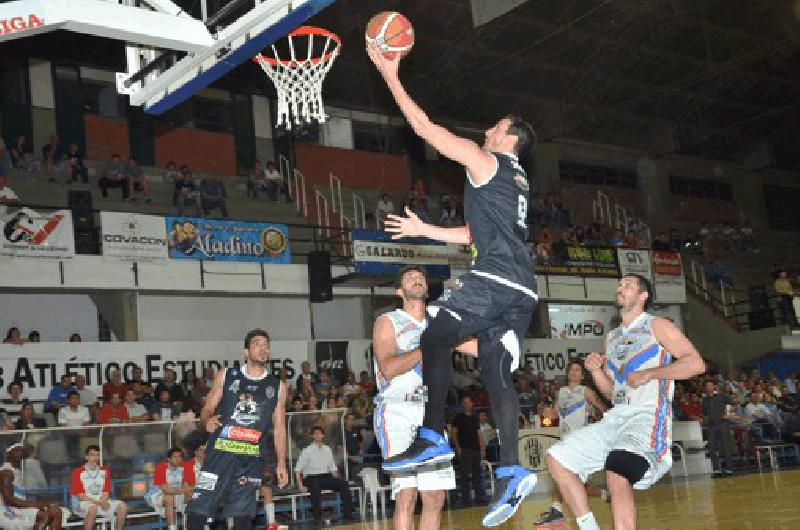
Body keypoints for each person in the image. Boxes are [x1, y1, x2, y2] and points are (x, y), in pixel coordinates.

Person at [368, 43, 539, 527]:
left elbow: (426, 129)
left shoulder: (490, 164)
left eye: (495, 128)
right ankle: (510, 468)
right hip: (522, 291)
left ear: (509, 139)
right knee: (497, 372)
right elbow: (472, 233)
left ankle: (430, 434)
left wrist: (391, 75)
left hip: (495, 279)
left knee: (434, 334)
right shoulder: (518, 181)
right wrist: (426, 231)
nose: (487, 131)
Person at [546, 274, 706, 530]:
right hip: (616, 417)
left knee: (617, 470)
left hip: (647, 416)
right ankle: (588, 526)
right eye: (619, 284)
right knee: (556, 459)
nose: (620, 287)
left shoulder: (658, 326)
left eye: (628, 285)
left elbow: (695, 364)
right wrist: (597, 371)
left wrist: (651, 373)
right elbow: (612, 394)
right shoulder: (612, 338)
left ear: (643, 296)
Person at [373, 266, 466, 529]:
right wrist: (427, 346)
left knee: (435, 497)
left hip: (430, 414)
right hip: (397, 411)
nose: (417, 280)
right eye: (410, 278)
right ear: (400, 291)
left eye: (421, 278)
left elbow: (475, 347)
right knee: (406, 494)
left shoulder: (438, 322)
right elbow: (388, 368)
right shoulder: (388, 321)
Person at [185, 329, 288, 530]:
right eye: (257, 343)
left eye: (266, 344)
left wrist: (281, 463)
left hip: (250, 458)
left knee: (242, 515)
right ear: (246, 351)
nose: (263, 347)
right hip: (219, 453)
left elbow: (280, 428)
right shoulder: (226, 375)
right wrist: (207, 420)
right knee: (199, 509)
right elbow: (207, 409)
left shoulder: (278, 386)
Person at [537, 360, 607, 525]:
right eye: (572, 370)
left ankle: (560, 510)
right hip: (565, 439)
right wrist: (545, 412)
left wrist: (610, 420)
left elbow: (602, 408)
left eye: (578, 370)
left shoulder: (586, 391)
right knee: (567, 479)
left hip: (580, 442)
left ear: (583, 375)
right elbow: (554, 415)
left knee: (568, 479)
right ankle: (601, 498)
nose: (574, 373)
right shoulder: (560, 392)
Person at [294, 426, 356, 524]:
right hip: (311, 477)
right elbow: (298, 469)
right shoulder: (307, 450)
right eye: (315, 433)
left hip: (325, 476)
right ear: (312, 436)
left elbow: (332, 467)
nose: (318, 435)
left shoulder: (327, 449)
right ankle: (317, 517)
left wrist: (336, 479)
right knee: (315, 485)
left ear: (323, 435)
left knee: (344, 484)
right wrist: (300, 485)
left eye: (320, 433)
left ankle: (348, 513)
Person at [1, 444, 65, 529]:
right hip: (9, 509)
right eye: (16, 451)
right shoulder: (6, 472)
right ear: (8, 455)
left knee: (56, 511)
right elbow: (9, 500)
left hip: (20, 506)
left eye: (21, 451)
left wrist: (40, 504)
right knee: (45, 516)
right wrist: (38, 505)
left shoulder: (20, 470)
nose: (20, 453)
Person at [70, 445, 128, 529]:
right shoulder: (77, 472)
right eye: (92, 455)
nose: (95, 458)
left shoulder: (105, 471)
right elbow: (81, 496)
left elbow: (106, 491)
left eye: (97, 455)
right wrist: (100, 503)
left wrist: (104, 502)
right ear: (87, 457)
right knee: (93, 509)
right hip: (82, 502)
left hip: (100, 501)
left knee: (123, 506)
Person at [451, 396, 487, 506]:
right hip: (464, 449)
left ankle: (479, 497)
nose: (467, 404)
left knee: (477, 473)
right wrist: (458, 447)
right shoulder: (458, 417)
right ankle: (466, 499)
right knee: (464, 475)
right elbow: (453, 433)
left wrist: (482, 448)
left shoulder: (474, 418)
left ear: (472, 404)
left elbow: (478, 433)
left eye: (469, 402)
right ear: (462, 404)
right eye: (465, 402)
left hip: (475, 448)